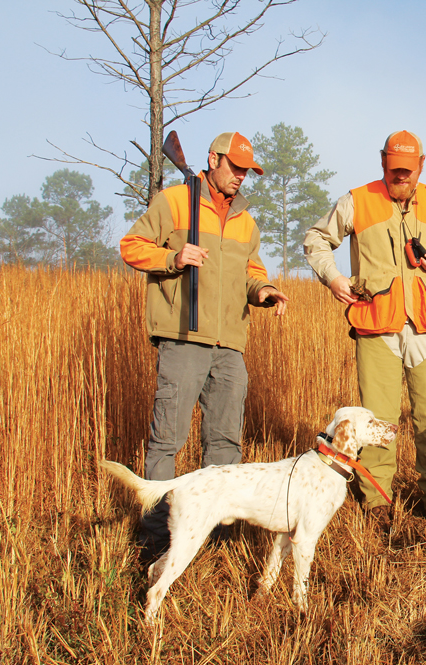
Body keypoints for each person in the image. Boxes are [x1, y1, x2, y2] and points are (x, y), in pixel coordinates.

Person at [120, 131, 289, 553]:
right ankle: (158, 537)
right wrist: (172, 259)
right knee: (167, 441)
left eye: (247, 172)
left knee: (225, 442)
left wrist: (264, 291)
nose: (241, 178)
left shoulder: (246, 220)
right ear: (212, 159)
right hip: (182, 338)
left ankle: (217, 538)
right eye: (235, 168)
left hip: (230, 344)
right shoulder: (174, 202)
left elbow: (252, 271)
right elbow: (131, 246)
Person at [303, 130, 426, 529]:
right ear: (382, 162)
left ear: (422, 165)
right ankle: (378, 501)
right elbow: (316, 239)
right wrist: (332, 278)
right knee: (378, 420)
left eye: (409, 171)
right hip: (377, 326)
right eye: (395, 170)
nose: (402, 178)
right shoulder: (357, 201)